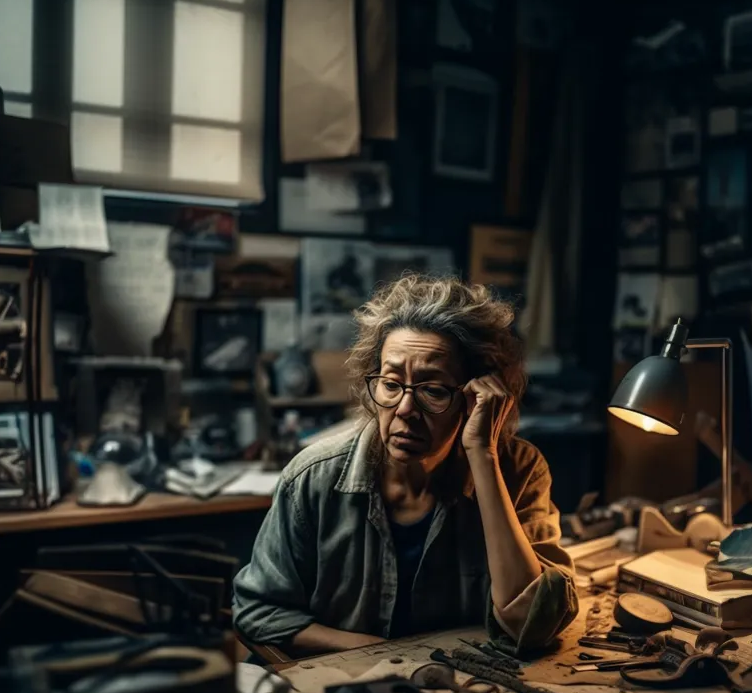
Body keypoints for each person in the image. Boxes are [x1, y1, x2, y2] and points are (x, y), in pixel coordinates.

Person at [233, 276, 578, 657]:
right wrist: (381, 653)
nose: (405, 410)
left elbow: (533, 625)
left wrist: (483, 453)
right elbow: (257, 611)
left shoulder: (519, 470)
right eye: (391, 383)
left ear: (479, 397)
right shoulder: (313, 477)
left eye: (433, 390)